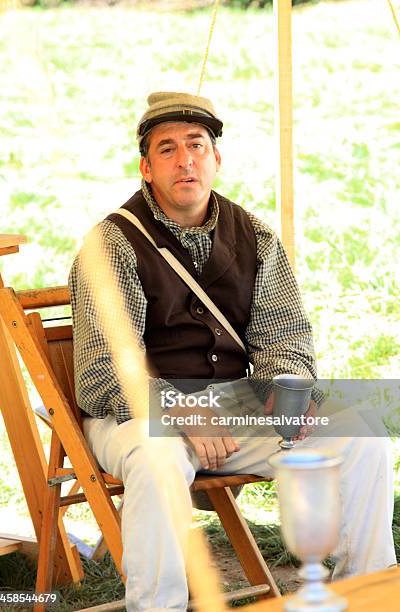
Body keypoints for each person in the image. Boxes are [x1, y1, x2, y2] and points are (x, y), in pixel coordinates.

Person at [69, 92, 396, 611]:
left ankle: (366, 595)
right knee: (157, 459)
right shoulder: (111, 245)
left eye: (197, 145)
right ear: (146, 168)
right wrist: (183, 410)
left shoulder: (256, 237)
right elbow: (104, 374)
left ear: (216, 159)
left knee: (362, 434)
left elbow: (284, 338)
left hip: (233, 408)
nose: (186, 159)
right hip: (135, 417)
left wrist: (284, 396)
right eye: (168, 149)